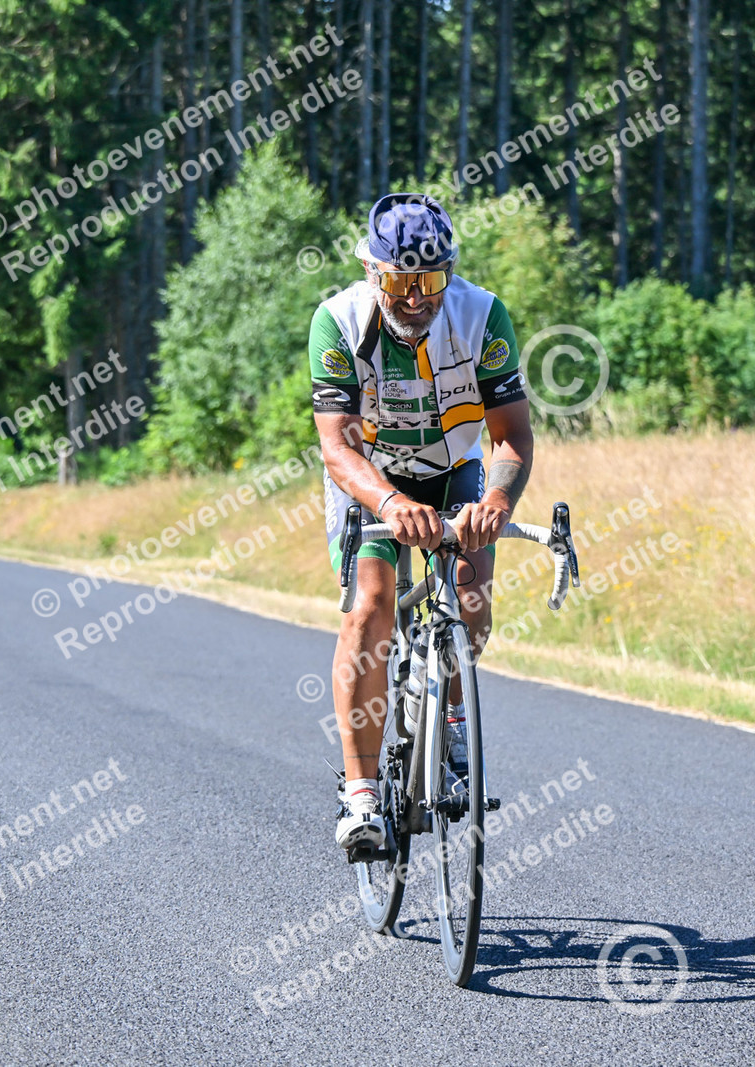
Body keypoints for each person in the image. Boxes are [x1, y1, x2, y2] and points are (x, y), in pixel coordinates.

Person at [310, 192, 533, 853]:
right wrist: (388, 504)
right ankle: (359, 795)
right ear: (371, 270)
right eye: (400, 281)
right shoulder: (338, 321)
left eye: (430, 280)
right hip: (370, 477)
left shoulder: (482, 315)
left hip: (451, 468)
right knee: (371, 606)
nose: (415, 297)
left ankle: (452, 719)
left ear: (449, 273)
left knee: (470, 588)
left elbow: (512, 434)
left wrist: (498, 502)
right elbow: (337, 447)